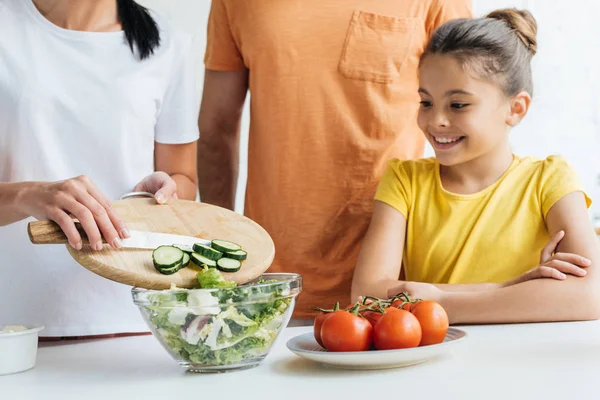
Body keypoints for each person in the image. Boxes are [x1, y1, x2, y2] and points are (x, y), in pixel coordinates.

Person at [198, 0, 472, 320]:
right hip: (272, 284)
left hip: (403, 285)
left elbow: (470, 119)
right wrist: (221, 263)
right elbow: (215, 129)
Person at [351, 9, 600, 324]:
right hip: (428, 363)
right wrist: (507, 288)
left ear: (515, 108)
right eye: (426, 102)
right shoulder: (404, 181)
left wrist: (438, 301)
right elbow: (366, 298)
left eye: (458, 105)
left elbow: (590, 295)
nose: (436, 120)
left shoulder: (549, 180)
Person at [0, 0, 199, 337]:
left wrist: (164, 193)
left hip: (137, 317)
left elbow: (185, 180)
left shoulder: (168, 43)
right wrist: (27, 195)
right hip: (15, 322)